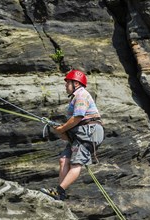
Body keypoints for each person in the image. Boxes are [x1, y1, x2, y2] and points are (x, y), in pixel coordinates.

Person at [41, 69, 104, 201]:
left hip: (89, 133)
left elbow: (78, 117)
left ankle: (59, 191)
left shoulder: (81, 95)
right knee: (64, 160)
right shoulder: (76, 97)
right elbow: (76, 123)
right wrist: (62, 130)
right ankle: (60, 194)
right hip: (83, 132)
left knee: (76, 163)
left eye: (67, 82)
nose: (65, 85)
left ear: (76, 83)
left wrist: (62, 128)